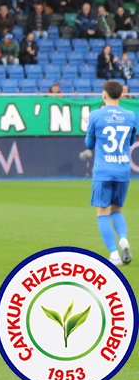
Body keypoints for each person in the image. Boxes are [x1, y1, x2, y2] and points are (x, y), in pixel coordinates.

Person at [84, 80, 137, 266]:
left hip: (104, 170)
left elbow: (89, 145)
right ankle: (123, 239)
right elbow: (130, 142)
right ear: (121, 95)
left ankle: (114, 255)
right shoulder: (130, 115)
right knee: (117, 210)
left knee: (102, 212)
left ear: (104, 94)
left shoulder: (95, 115)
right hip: (123, 169)